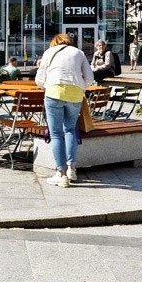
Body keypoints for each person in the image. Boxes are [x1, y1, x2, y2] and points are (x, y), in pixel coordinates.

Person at [34, 33, 95, 187]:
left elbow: (39, 79)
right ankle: (71, 168)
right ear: (68, 42)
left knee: (55, 134)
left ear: (54, 42)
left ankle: (60, 174)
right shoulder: (78, 53)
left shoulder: (49, 53)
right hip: (75, 95)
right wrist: (79, 87)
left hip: (54, 92)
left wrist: (47, 85)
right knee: (70, 130)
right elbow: (89, 78)